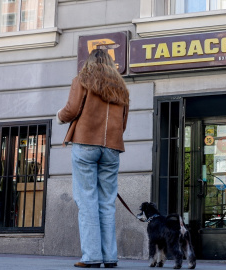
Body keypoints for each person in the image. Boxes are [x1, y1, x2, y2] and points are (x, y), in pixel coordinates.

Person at [57, 49, 129, 268]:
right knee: (107, 202)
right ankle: (110, 257)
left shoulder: (82, 80)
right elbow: (123, 122)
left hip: (86, 142)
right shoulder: (121, 87)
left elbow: (71, 110)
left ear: (88, 62)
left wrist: (59, 116)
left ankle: (92, 256)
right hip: (112, 147)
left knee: (87, 200)